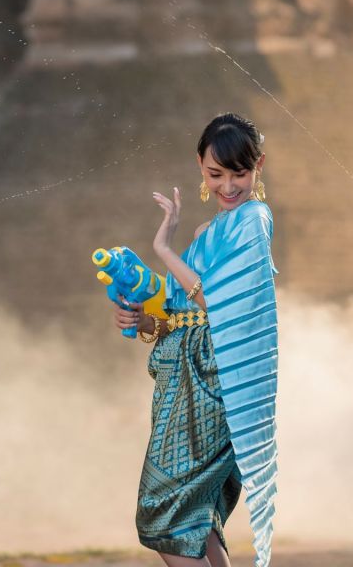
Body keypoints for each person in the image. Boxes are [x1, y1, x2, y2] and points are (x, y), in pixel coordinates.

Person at [113, 113, 279, 567]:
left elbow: (212, 304)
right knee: (193, 516)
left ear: (259, 165)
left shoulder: (253, 221)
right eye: (215, 173)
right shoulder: (210, 232)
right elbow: (179, 318)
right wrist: (141, 318)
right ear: (200, 166)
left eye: (239, 173)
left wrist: (164, 248)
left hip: (216, 381)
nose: (228, 186)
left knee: (165, 516)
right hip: (184, 380)